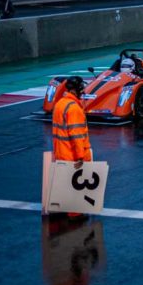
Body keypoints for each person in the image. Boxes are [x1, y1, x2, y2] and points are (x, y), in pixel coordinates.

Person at [52, 76, 94, 219]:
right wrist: (80, 156)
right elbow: (76, 136)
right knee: (76, 185)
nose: (82, 91)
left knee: (64, 182)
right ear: (75, 90)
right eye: (81, 88)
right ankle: (75, 214)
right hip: (72, 153)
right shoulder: (74, 108)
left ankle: (61, 209)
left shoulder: (60, 104)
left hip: (61, 151)